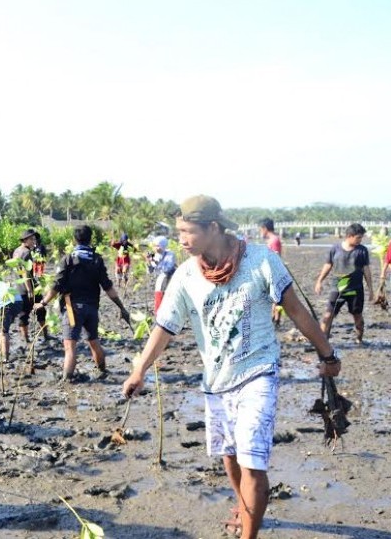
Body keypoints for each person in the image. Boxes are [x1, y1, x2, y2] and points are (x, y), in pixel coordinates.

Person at [122, 195, 341, 539]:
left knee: (252, 459)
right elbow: (164, 328)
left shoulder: (261, 261)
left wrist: (328, 355)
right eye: (178, 231)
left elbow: (297, 311)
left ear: (213, 228)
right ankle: (243, 504)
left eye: (187, 231)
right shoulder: (185, 276)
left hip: (258, 372)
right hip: (216, 379)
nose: (181, 238)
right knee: (230, 456)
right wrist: (140, 370)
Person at [34, 225, 130, 381]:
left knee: (70, 347)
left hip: (73, 309)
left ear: (74, 239)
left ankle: (66, 380)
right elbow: (108, 287)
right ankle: (103, 371)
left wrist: (43, 303)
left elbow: (56, 286)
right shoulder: (97, 259)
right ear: (90, 239)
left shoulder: (68, 259)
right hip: (92, 308)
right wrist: (121, 307)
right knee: (94, 342)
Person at [314, 223, 374, 345]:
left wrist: (371, 289)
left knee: (357, 316)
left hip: (356, 290)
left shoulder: (362, 250)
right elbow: (328, 265)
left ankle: (359, 339)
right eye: (358, 237)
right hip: (337, 289)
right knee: (328, 315)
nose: (360, 240)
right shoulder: (335, 249)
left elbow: (366, 270)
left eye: (361, 237)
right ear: (350, 236)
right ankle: (322, 342)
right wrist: (319, 281)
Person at [12, 228, 48, 343]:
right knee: (40, 310)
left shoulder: (17, 251)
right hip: (29, 287)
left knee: (24, 314)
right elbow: (26, 273)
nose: (34, 242)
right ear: (25, 240)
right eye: (32, 239)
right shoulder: (26, 253)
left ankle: (26, 339)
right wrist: (30, 290)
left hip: (19, 286)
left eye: (35, 239)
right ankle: (45, 335)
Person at [259, 218, 283, 326]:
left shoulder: (274, 240)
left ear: (264, 228)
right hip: (271, 272)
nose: (260, 232)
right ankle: (274, 317)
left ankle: (276, 318)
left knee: (276, 297)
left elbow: (275, 258)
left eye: (260, 229)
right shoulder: (272, 240)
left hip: (274, 272)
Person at [148, 235, 176, 314]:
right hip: (162, 276)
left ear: (163, 246)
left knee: (168, 295)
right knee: (159, 292)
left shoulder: (170, 254)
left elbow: (167, 268)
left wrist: (156, 262)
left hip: (170, 276)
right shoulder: (156, 255)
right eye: (155, 246)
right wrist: (149, 261)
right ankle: (159, 313)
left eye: (158, 246)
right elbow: (151, 270)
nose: (156, 248)